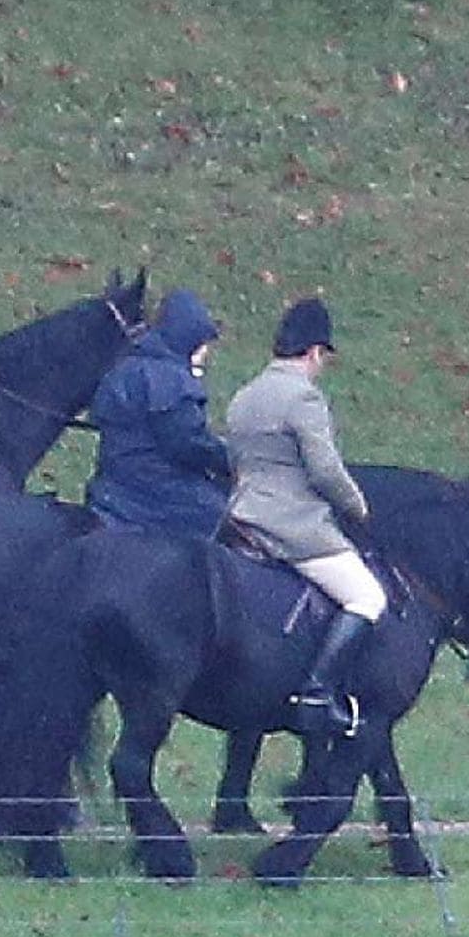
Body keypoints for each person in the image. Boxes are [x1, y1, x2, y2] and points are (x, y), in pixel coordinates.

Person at [224, 297, 387, 736]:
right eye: (323, 358)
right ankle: (316, 694)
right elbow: (325, 470)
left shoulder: (245, 395)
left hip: (240, 518)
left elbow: (236, 462)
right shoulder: (302, 397)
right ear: (314, 351)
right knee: (368, 597)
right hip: (291, 527)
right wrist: (358, 508)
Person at [83, 289, 231, 538]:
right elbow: (187, 444)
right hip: (157, 493)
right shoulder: (170, 381)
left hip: (112, 485)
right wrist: (232, 458)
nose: (205, 353)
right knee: (227, 518)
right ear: (188, 339)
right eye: (203, 345)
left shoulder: (126, 368)